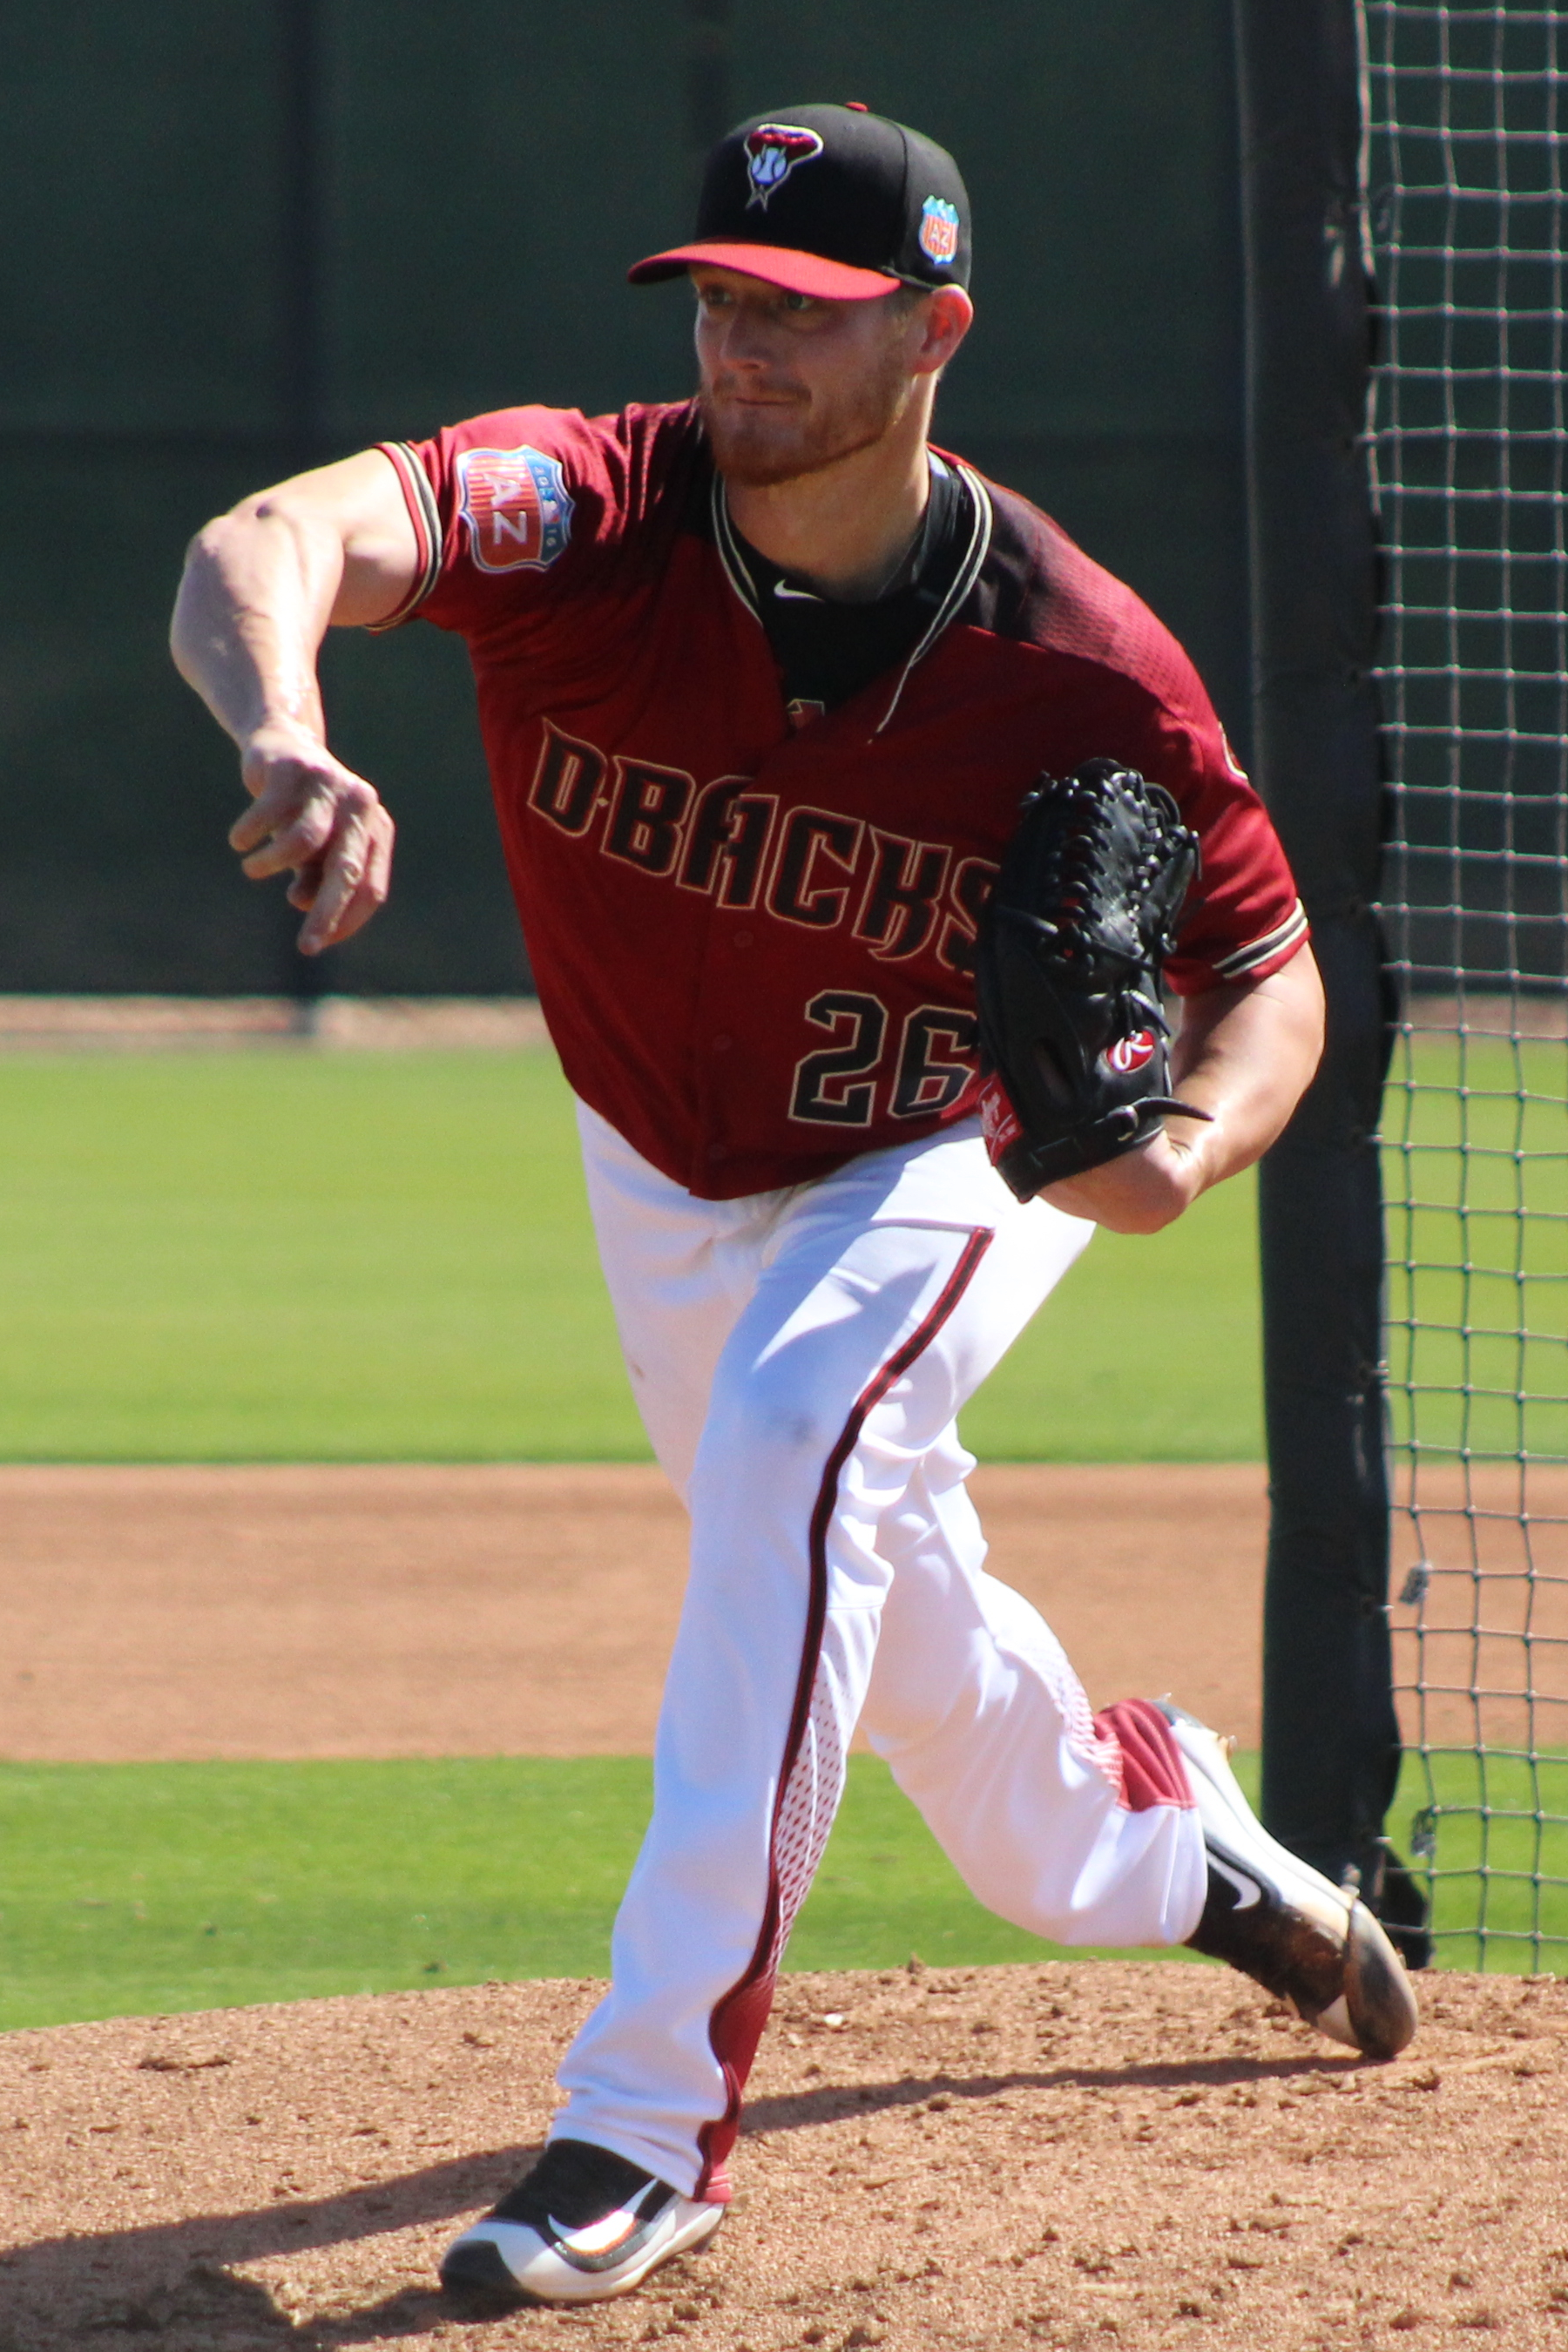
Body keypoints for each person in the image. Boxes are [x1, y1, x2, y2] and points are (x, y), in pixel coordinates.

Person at [171, 102, 1415, 2311]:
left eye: (806, 317)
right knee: (900, 1635)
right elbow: (267, 536)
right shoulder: (588, 508)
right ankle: (1174, 1851)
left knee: (789, 1441)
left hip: (946, 1147)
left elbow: (1276, 970)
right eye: (723, 302)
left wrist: (1188, 1147)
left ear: (935, 333)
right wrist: (285, 727)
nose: (743, 348)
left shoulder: (1079, 664)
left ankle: (646, 2132)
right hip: (659, 1153)